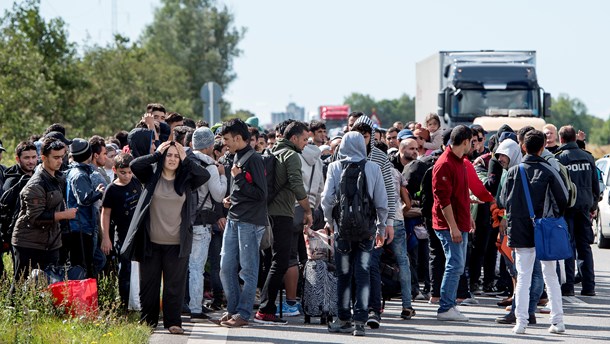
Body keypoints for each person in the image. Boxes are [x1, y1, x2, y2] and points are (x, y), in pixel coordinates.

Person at [120, 140, 209, 334]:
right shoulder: (151, 176)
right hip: (150, 242)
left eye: (176, 156)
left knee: (174, 286)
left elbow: (205, 175)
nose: (172, 159)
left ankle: (173, 322)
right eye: (169, 155)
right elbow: (135, 165)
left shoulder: (186, 179)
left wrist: (186, 158)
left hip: (177, 243)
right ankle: (148, 322)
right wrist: (156, 155)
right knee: (148, 286)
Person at [498, 129, 568, 335]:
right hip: (545, 229)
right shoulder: (549, 170)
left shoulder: (513, 171)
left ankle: (521, 323)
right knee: (550, 276)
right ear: (543, 147)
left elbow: (502, 200)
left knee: (523, 276)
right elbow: (563, 198)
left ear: (522, 147)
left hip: (520, 230)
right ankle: (558, 321)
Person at [322, 132, 388, 337]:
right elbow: (382, 202)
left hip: (342, 232)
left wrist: (329, 222)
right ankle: (360, 321)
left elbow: (327, 198)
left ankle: (343, 318)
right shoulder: (373, 168)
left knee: (344, 276)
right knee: (363, 275)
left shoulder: (334, 167)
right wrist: (382, 227)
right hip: (366, 232)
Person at [255, 121, 313, 324]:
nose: (307, 143)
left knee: (269, 261)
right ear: (294, 138)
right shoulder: (292, 156)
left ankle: (264, 307)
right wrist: (307, 210)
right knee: (280, 261)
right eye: (305, 139)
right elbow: (297, 186)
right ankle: (265, 310)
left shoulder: (271, 151)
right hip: (282, 214)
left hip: (265, 213)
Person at [212, 119, 268, 328]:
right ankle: (233, 310)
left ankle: (244, 313)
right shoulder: (237, 156)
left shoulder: (254, 159)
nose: (225, 143)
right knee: (225, 267)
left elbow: (261, 194)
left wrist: (241, 178)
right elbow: (244, 191)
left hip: (250, 222)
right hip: (235, 218)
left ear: (237, 137)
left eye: (227, 139)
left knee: (248, 269)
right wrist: (231, 198)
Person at [11, 138, 77, 291]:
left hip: (51, 242)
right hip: (28, 242)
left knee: (50, 285)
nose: (60, 161)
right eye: (56, 157)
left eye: (62, 156)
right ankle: (12, 311)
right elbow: (36, 217)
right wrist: (64, 215)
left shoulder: (58, 177)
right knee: (20, 285)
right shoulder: (36, 184)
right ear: (44, 158)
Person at [432, 125, 473, 321]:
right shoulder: (445, 163)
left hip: (460, 221)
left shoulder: (460, 161)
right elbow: (443, 200)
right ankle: (445, 307)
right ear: (465, 142)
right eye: (471, 142)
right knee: (455, 264)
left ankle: (449, 305)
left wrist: (468, 217)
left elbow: (461, 194)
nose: (472, 146)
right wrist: (453, 227)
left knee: (458, 264)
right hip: (449, 224)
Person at [188, 127, 227, 322]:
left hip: (181, 221)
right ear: (210, 145)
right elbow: (219, 195)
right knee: (196, 266)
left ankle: (184, 303)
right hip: (201, 221)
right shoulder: (210, 166)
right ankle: (195, 308)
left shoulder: (185, 161)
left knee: (185, 266)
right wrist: (223, 175)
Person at [555, 125, 599, 297]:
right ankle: (589, 287)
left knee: (568, 247)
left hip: (567, 209)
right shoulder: (588, 157)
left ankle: (568, 287)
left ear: (562, 139)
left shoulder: (560, 158)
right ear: (575, 138)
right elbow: (596, 186)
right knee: (585, 247)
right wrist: (593, 206)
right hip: (585, 208)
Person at [100, 153, 142, 312]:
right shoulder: (112, 189)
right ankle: (125, 305)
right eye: (123, 172)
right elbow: (105, 214)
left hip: (139, 234)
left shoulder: (136, 183)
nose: (127, 176)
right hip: (122, 235)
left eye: (130, 172)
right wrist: (106, 238)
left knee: (139, 269)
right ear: (115, 170)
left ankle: (137, 302)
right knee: (125, 269)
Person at [66, 138, 105, 278]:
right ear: (89, 155)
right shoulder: (79, 174)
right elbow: (84, 199)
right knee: (83, 268)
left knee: (97, 261)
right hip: (81, 227)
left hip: (82, 226)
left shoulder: (75, 171)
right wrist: (99, 193)